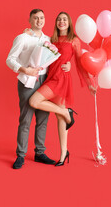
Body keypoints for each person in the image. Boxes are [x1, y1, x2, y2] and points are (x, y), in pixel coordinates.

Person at [24, 12, 96, 167]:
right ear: (56, 23)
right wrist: (28, 32)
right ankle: (65, 111)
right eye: (59, 19)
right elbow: (39, 48)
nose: (61, 22)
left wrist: (89, 83)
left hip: (62, 80)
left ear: (69, 23)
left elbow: (79, 63)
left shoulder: (74, 40)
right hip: (50, 78)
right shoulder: (52, 39)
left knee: (59, 119)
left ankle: (63, 153)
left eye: (64, 19)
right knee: (36, 102)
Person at [6, 9, 71, 169]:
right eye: (36, 18)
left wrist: (69, 65)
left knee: (43, 119)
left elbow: (60, 56)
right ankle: (21, 155)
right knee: (26, 119)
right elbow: (10, 59)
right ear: (30, 19)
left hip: (45, 80)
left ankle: (39, 153)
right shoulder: (23, 38)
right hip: (28, 79)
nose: (39, 21)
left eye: (42, 18)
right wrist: (24, 70)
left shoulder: (49, 39)